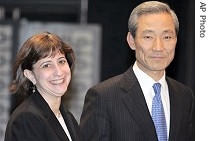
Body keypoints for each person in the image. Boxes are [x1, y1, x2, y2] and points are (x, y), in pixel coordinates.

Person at [79, 1, 195, 141]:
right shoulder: (103, 97)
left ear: (176, 40)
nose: (158, 47)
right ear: (131, 41)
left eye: (167, 37)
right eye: (148, 37)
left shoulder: (184, 96)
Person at [4, 32, 83, 141]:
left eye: (61, 61)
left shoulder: (67, 117)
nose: (59, 72)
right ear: (30, 75)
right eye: (46, 65)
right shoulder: (27, 118)